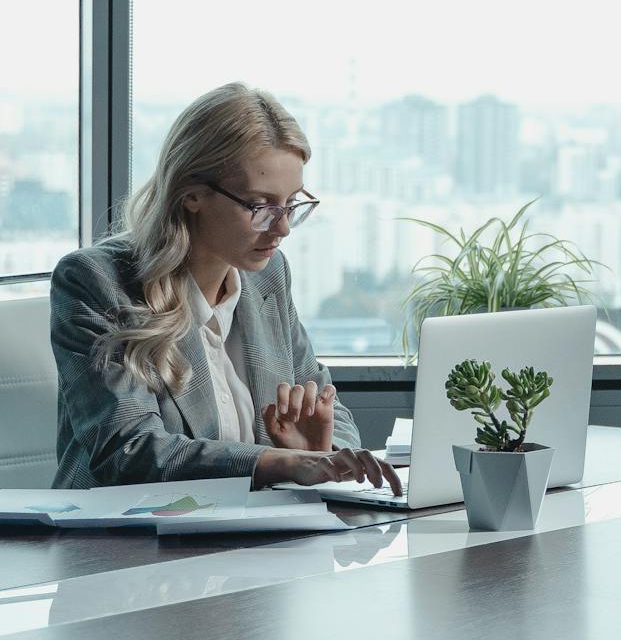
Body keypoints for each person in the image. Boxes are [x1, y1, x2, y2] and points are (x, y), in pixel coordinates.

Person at [51, 82, 399, 493]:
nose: (283, 228)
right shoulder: (97, 282)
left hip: (250, 538)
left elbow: (329, 405)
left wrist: (321, 453)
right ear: (192, 194)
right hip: (122, 544)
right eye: (261, 206)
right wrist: (281, 462)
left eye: (291, 204)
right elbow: (129, 451)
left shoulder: (267, 276)